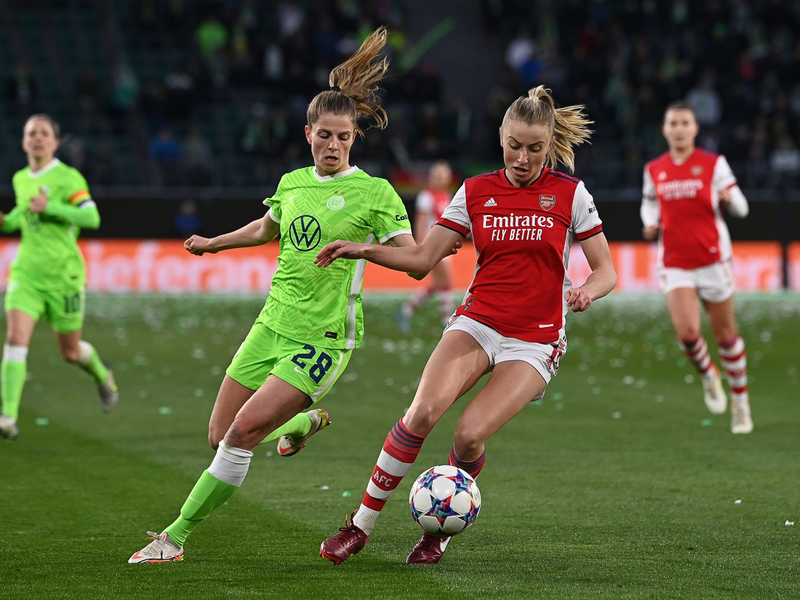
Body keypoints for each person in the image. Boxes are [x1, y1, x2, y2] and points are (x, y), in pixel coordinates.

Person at [129, 27, 419, 564]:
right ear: (307, 133)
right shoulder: (291, 183)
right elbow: (267, 229)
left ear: (355, 139)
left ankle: (174, 538)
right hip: (272, 323)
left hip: (323, 336)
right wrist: (216, 243)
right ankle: (303, 421)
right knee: (219, 432)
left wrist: (362, 249)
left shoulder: (375, 192)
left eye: (343, 138)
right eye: (324, 136)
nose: (333, 146)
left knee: (239, 435)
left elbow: (413, 257)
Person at [315, 85, 617, 565]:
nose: (523, 157)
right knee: (421, 413)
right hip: (476, 323)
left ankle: (441, 530)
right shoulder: (475, 191)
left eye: (535, 148)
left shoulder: (571, 194)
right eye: (514, 144)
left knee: (468, 436)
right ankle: (359, 526)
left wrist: (586, 290)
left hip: (534, 341)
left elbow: (607, 271)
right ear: (501, 136)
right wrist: (363, 248)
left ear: (551, 144)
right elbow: (420, 259)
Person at [0, 115, 118, 441]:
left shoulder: (68, 177)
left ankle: (101, 373)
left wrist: (53, 207)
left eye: (44, 133)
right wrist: (5, 221)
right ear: (24, 142)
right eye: (31, 133)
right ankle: (7, 417)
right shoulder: (20, 178)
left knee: (69, 352)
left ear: (54, 141)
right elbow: (21, 218)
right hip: (26, 274)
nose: (37, 138)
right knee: (14, 339)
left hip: (64, 276)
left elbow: (91, 216)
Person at [641, 101, 753, 434]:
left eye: (684, 122)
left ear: (695, 128)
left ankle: (741, 403)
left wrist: (731, 199)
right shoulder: (654, 169)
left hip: (713, 260)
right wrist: (649, 224)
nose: (678, 128)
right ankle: (708, 375)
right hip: (675, 262)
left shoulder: (713, 164)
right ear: (664, 129)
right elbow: (649, 204)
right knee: (688, 334)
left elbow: (743, 208)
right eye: (672, 122)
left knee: (726, 336)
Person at [397, 160, 455, 333]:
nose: (441, 180)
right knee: (446, 282)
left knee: (439, 283)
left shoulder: (446, 196)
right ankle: (447, 321)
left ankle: (406, 310)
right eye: (438, 176)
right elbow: (421, 223)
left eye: (444, 176)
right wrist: (421, 246)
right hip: (434, 245)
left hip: (445, 244)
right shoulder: (426, 197)